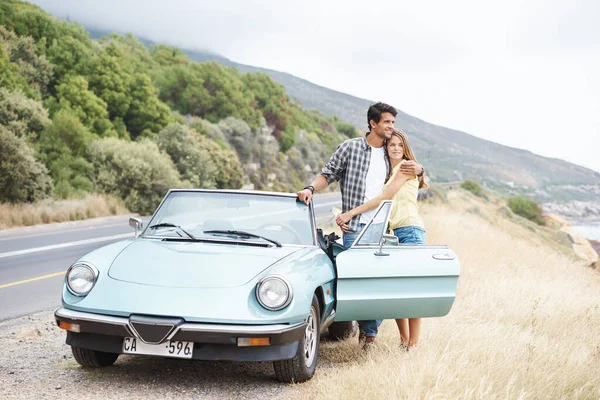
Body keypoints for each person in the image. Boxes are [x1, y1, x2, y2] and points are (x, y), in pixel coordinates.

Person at [297, 103, 423, 350]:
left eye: (393, 123)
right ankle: (362, 330)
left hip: (384, 228)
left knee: (383, 283)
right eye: (387, 122)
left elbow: (411, 167)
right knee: (358, 280)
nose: (391, 127)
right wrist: (310, 188)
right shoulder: (350, 148)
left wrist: (420, 168)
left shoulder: (391, 153)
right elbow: (329, 173)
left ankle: (370, 335)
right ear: (373, 123)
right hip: (355, 227)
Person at [335, 128, 428, 349]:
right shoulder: (392, 170)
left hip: (411, 230)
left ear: (405, 147)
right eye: (391, 145)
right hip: (396, 233)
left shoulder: (405, 167)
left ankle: (412, 346)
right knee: (396, 290)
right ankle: (404, 342)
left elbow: (384, 197)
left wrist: (350, 213)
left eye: (399, 145)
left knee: (411, 292)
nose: (395, 148)